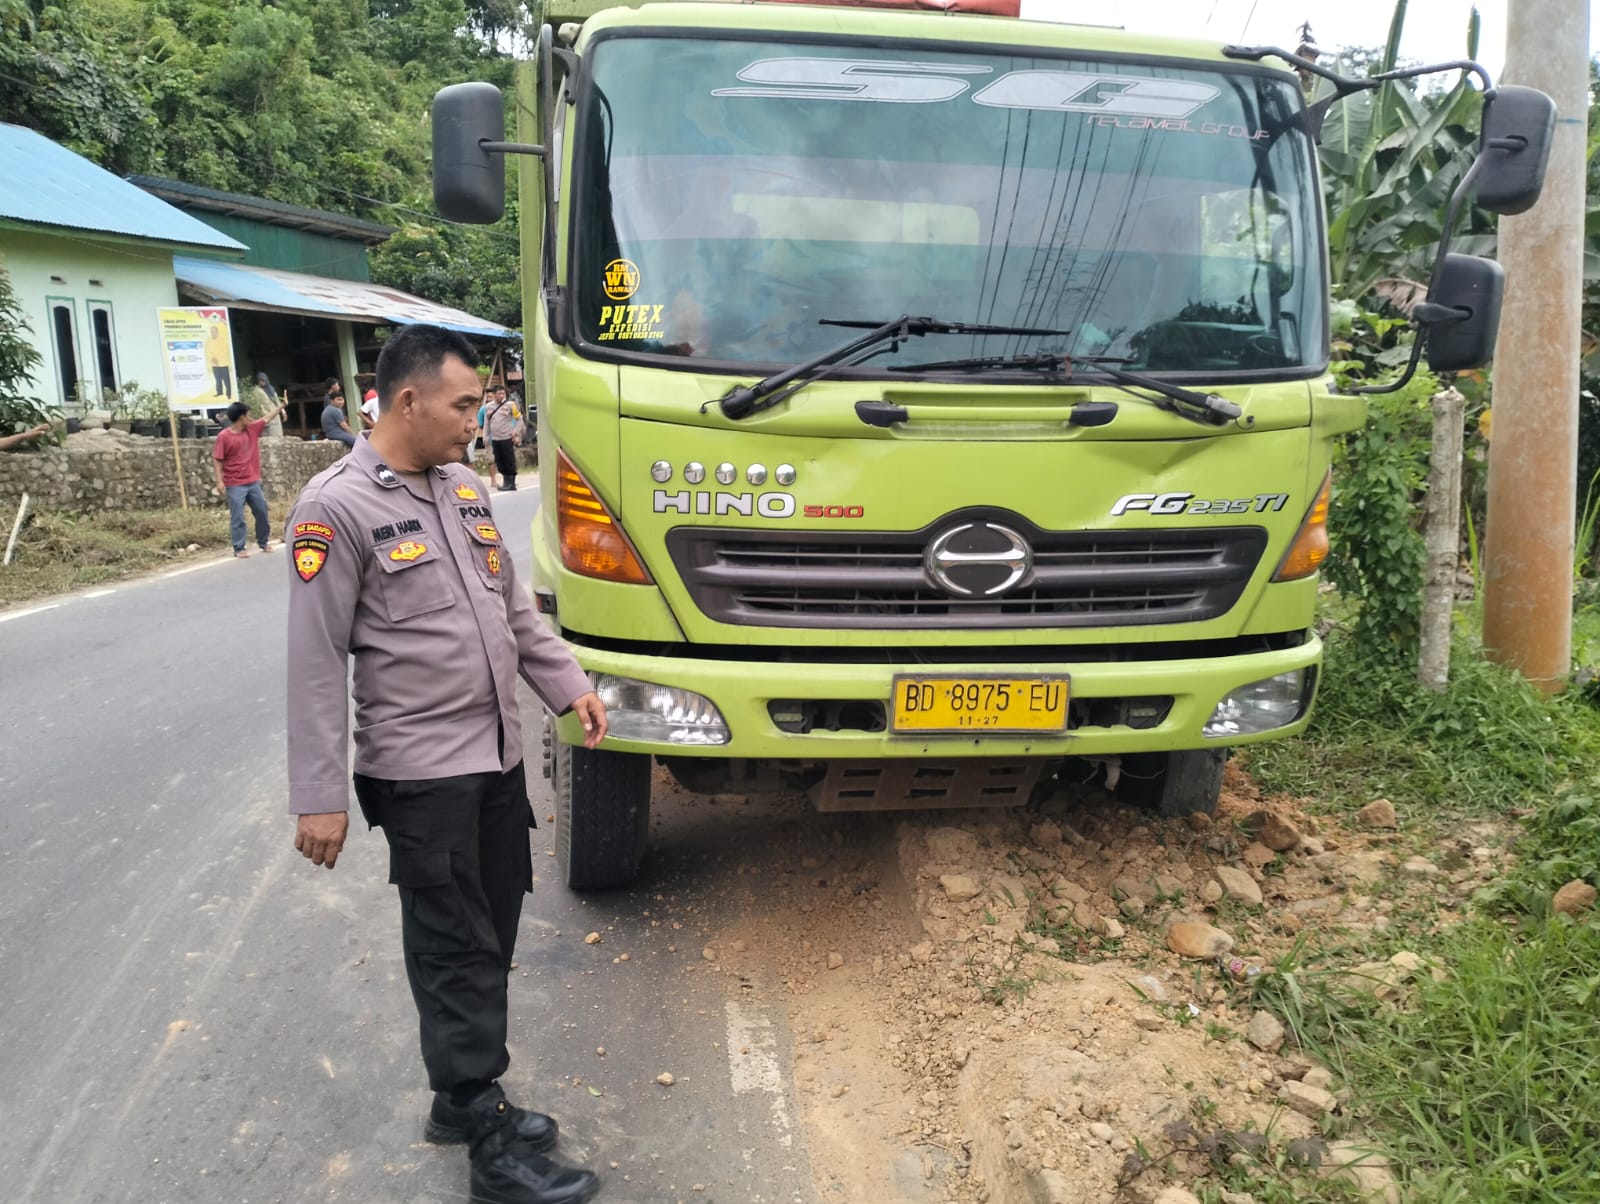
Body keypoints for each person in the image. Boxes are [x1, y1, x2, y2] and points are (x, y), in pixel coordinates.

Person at [285, 323, 607, 1204]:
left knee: (491, 931)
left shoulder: (465, 489)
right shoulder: (335, 507)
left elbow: (515, 614)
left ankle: (457, 1099)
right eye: (466, 405)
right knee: (456, 946)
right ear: (407, 401)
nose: (481, 420)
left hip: (496, 755)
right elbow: (316, 662)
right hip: (421, 773)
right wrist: (320, 796)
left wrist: (567, 684)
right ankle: (487, 1138)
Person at [213, 396, 288, 558]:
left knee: (261, 511)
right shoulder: (224, 437)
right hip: (234, 483)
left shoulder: (252, 429)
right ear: (241, 418)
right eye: (248, 415)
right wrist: (219, 481)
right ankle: (239, 547)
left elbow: (267, 418)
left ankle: (263, 541)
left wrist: (281, 405)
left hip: (253, 481)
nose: (251, 418)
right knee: (238, 516)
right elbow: (218, 459)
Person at [485, 385, 526, 492]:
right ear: (494, 395)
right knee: (499, 461)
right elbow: (487, 423)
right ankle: (505, 482)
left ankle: (511, 483)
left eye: (503, 393)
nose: (501, 396)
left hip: (507, 437)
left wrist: (515, 432)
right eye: (499, 393)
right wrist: (486, 436)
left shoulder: (510, 405)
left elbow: (519, 419)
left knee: (509, 460)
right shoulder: (488, 407)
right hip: (495, 439)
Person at [320, 379, 356, 448]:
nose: (340, 402)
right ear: (332, 401)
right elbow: (344, 426)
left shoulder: (332, 408)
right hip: (335, 433)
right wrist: (353, 434)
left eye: (342, 399)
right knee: (355, 441)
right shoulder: (335, 410)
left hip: (334, 432)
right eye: (338, 400)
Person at [206, 323, 233, 399]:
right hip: (214, 364)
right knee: (218, 379)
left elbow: (224, 351)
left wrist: (217, 358)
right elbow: (207, 351)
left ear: (217, 332)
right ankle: (219, 392)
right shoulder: (209, 340)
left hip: (223, 364)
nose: (213, 333)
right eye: (211, 331)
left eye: (214, 331)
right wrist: (212, 358)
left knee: (226, 380)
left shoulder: (222, 340)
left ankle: (228, 394)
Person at [255, 371, 284, 438]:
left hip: (276, 417)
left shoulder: (271, 389)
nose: (262, 382)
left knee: (278, 436)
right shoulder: (257, 391)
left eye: (263, 380)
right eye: (260, 380)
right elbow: (258, 405)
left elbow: (277, 400)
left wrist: (283, 410)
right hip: (267, 417)